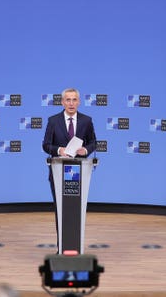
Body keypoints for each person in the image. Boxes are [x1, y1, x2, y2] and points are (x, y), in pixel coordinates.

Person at [42, 88, 97, 247]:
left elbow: (94, 143)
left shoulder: (87, 121)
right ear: (62, 102)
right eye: (68, 100)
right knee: (61, 209)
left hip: (79, 172)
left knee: (76, 210)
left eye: (74, 100)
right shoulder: (53, 121)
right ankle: (62, 247)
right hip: (58, 172)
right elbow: (46, 145)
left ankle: (76, 246)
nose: (71, 103)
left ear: (79, 102)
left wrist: (85, 150)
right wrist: (60, 150)